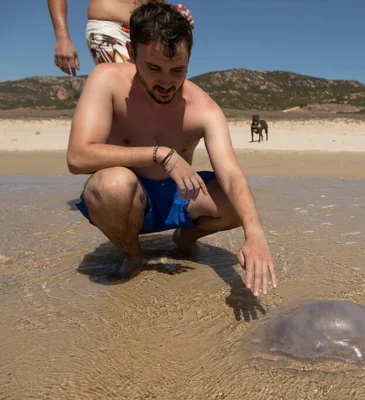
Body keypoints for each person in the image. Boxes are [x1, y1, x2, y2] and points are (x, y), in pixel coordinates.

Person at [67, 2, 277, 297]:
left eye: (177, 70)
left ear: (189, 58)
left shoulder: (204, 108)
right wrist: (161, 154)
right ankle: (133, 253)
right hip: (125, 201)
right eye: (154, 68)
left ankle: (185, 238)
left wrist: (254, 235)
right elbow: (77, 157)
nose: (166, 82)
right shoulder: (106, 79)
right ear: (132, 51)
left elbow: (231, 175)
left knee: (237, 205)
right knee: (110, 184)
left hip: (179, 197)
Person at [47, 0, 195, 75]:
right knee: (131, 86)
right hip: (109, 28)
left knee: (154, 89)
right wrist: (62, 38)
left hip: (147, 31)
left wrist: (171, 14)